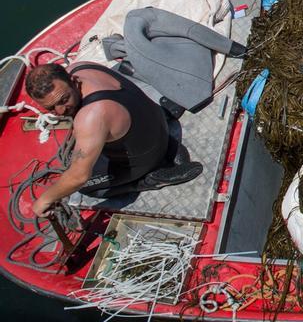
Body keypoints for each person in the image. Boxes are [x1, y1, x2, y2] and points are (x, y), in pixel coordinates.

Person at [25, 62, 202, 217]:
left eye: (64, 100)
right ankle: (170, 146)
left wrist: (44, 200)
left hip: (149, 153)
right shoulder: (81, 67)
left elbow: (78, 177)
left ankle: (152, 179)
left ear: (73, 81)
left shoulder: (91, 117)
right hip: (156, 122)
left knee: (86, 186)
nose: (61, 110)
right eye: (51, 108)